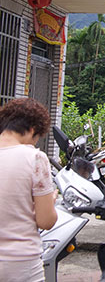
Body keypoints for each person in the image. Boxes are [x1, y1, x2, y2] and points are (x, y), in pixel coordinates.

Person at [0, 97, 58, 282]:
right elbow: (46, 221)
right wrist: (51, 202)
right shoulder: (34, 158)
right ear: (33, 129)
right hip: (20, 263)